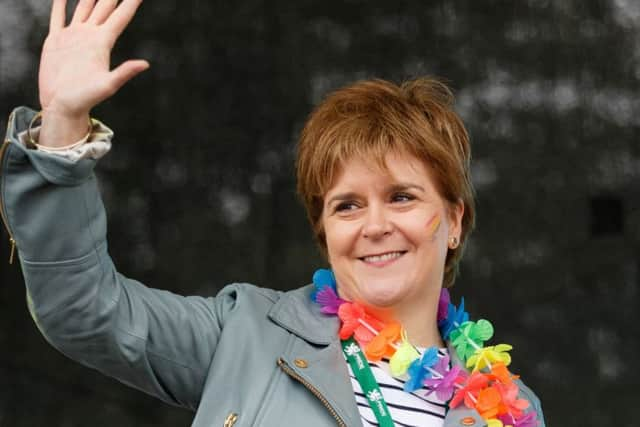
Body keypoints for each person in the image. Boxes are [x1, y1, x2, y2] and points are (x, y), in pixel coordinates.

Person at [0, 0, 545, 426]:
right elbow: (83, 310)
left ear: (453, 221)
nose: (375, 225)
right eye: (346, 205)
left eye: (401, 196)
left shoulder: (509, 408)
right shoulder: (246, 335)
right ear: (325, 231)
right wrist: (63, 129)